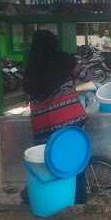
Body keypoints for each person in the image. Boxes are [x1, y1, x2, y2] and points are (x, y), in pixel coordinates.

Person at [22, 30, 88, 204]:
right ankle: (78, 201)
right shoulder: (64, 59)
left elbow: (28, 89)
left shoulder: (31, 66)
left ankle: (54, 198)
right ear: (54, 44)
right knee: (75, 161)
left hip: (43, 125)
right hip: (68, 121)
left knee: (51, 163)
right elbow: (86, 75)